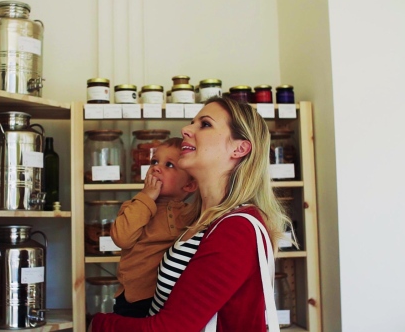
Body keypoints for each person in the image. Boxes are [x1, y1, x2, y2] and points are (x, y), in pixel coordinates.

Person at [90, 96, 292, 331]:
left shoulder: (236, 229)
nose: (186, 129)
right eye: (191, 122)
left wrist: (98, 323)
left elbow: (173, 328)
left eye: (205, 124)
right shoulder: (201, 221)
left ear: (239, 148)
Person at [110, 137, 198, 318]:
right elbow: (122, 238)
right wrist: (146, 197)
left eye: (169, 165)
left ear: (189, 185)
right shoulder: (133, 207)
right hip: (137, 300)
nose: (156, 167)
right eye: (154, 162)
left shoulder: (192, 213)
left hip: (175, 299)